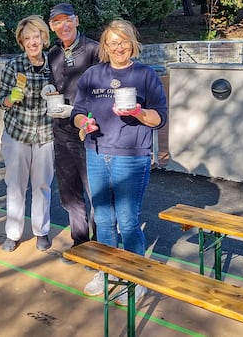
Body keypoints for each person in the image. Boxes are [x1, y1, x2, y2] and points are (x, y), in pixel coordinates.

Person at [71, 19, 168, 305]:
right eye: (112, 43)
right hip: (96, 153)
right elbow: (77, 111)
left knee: (127, 221)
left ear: (132, 43)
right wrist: (83, 122)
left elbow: (160, 118)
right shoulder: (92, 75)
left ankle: (135, 278)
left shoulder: (145, 75)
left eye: (123, 41)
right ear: (104, 46)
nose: (118, 47)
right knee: (103, 220)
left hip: (132, 157)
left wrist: (138, 112)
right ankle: (107, 271)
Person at [46, 3, 101, 260]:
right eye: (57, 22)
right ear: (52, 27)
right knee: (69, 194)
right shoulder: (53, 53)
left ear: (76, 20)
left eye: (67, 19)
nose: (63, 25)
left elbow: (102, 90)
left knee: (96, 192)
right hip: (61, 131)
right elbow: (54, 84)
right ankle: (80, 243)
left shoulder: (94, 50)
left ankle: (99, 245)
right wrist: (49, 91)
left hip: (89, 132)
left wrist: (80, 113)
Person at [0, 15, 54, 252]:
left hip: (46, 135)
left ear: (44, 38)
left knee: (42, 185)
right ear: (22, 42)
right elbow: (0, 101)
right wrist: (11, 99)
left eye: (36, 36)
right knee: (15, 186)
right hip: (17, 134)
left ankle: (41, 231)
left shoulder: (54, 65)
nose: (32, 42)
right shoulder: (14, 66)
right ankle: (13, 233)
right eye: (27, 38)